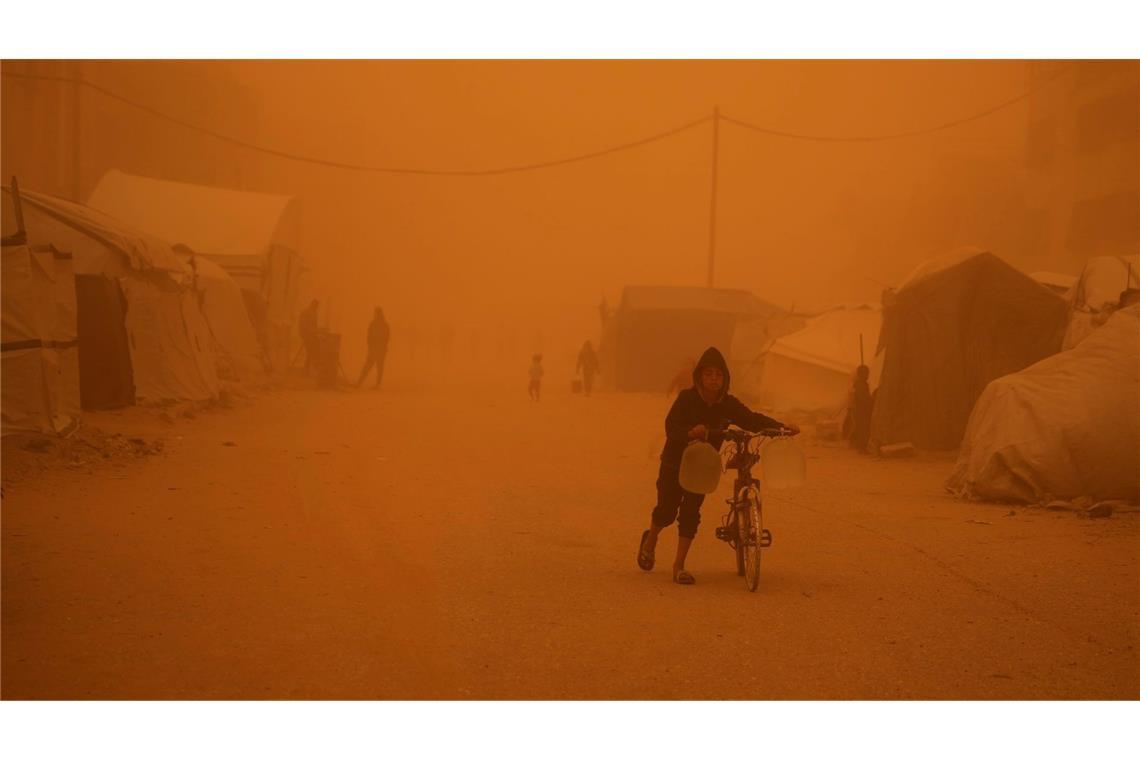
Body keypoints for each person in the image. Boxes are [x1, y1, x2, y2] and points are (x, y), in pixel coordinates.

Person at [637, 347, 798, 585]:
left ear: (725, 379)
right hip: (675, 463)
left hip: (702, 466)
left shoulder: (728, 404)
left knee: (691, 513)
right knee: (667, 511)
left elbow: (751, 420)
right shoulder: (686, 399)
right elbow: (671, 428)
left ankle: (679, 566)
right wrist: (691, 432)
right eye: (709, 374)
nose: (714, 379)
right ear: (700, 376)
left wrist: (782, 428)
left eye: (719, 375)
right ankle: (650, 540)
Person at [357, 307, 391, 389]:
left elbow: (369, 337)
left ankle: (360, 382)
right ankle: (376, 384)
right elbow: (386, 337)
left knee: (368, 366)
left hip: (376, 349)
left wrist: (370, 346)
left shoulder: (374, 324)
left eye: (375, 313)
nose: (374, 315)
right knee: (379, 367)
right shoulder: (384, 324)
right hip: (380, 349)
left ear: (377, 314)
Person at [847, 365, 873, 453]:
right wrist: (870, 402)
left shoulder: (859, 384)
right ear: (862, 374)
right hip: (861, 410)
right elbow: (863, 398)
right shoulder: (861, 385)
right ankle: (861, 447)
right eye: (866, 374)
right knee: (863, 429)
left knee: (860, 427)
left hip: (859, 409)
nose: (868, 376)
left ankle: (859, 445)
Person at [299, 299, 320, 374]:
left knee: (313, 350)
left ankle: (308, 368)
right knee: (311, 351)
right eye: (315, 306)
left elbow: (314, 326)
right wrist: (310, 332)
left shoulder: (314, 313)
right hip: (307, 335)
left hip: (311, 335)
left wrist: (316, 331)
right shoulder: (306, 312)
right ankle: (308, 369)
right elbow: (303, 325)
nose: (316, 308)